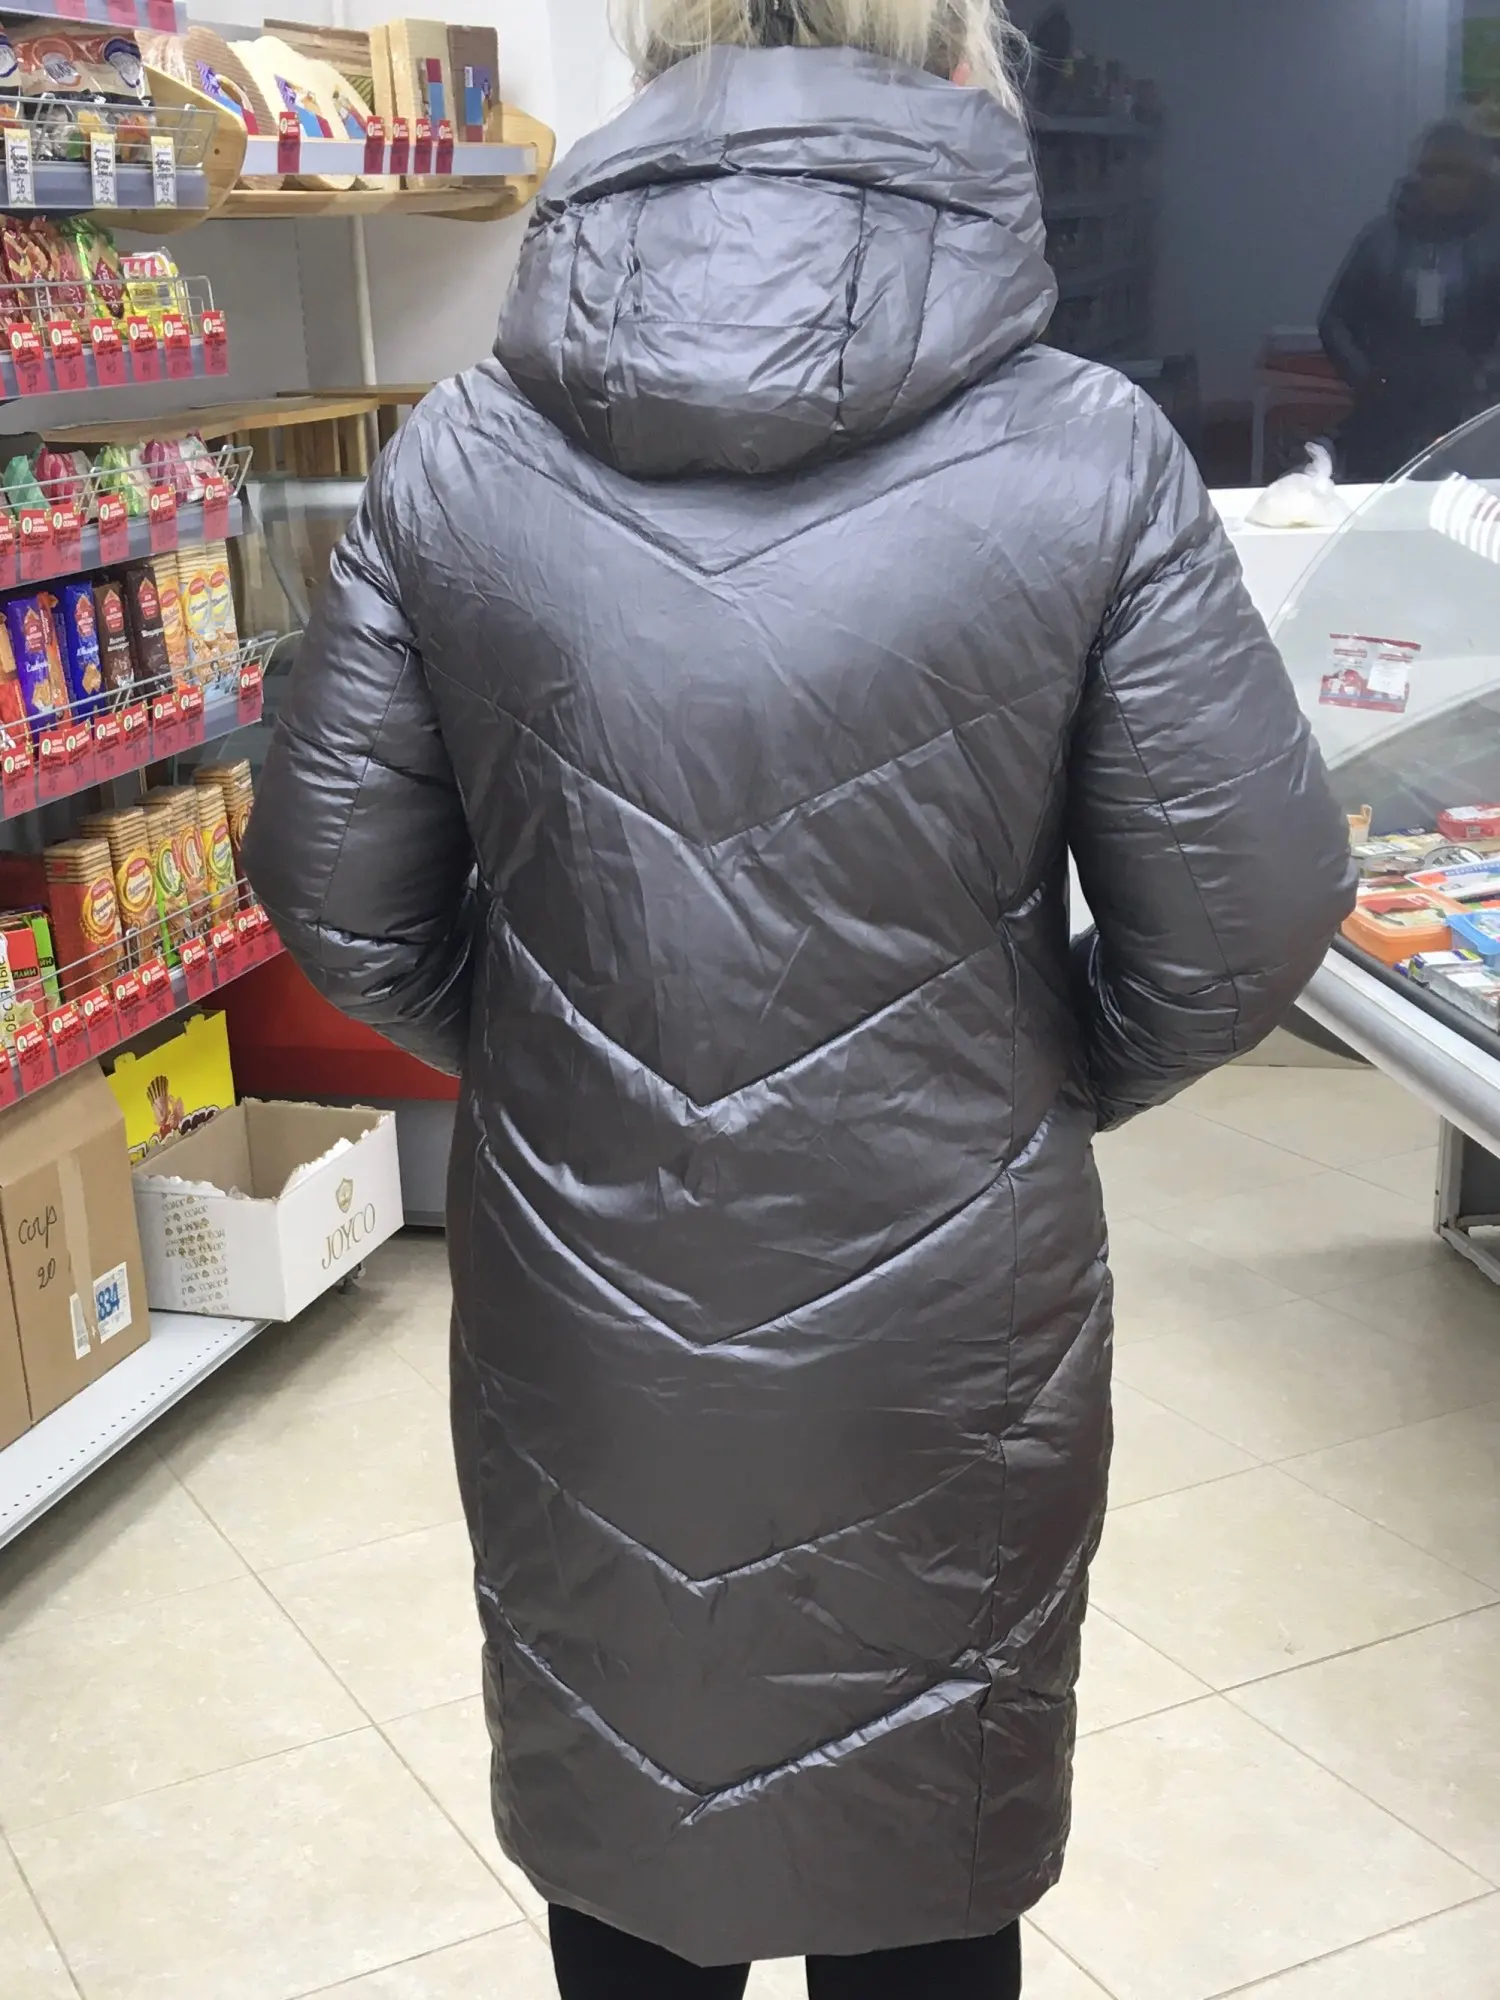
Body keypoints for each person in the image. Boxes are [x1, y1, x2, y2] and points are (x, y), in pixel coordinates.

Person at [244, 2, 1356, 1993]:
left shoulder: (467, 451)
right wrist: (1039, 1068)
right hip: (943, 1308)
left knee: (627, 1811)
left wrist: (550, 1054)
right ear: (953, 59)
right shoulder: (1090, 448)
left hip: (585, 1289)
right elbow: (1250, 913)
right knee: (917, 1848)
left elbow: (334, 881)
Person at [1321, 119, 1500, 481]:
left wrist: (1484, 381)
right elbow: (1334, 320)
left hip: (1473, 417)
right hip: (1387, 413)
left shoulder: (1493, 243)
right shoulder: (1380, 240)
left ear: (1478, 178)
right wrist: (1365, 378)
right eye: (1431, 171)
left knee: (1471, 509)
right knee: (1382, 502)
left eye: (1454, 171)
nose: (1442, 183)